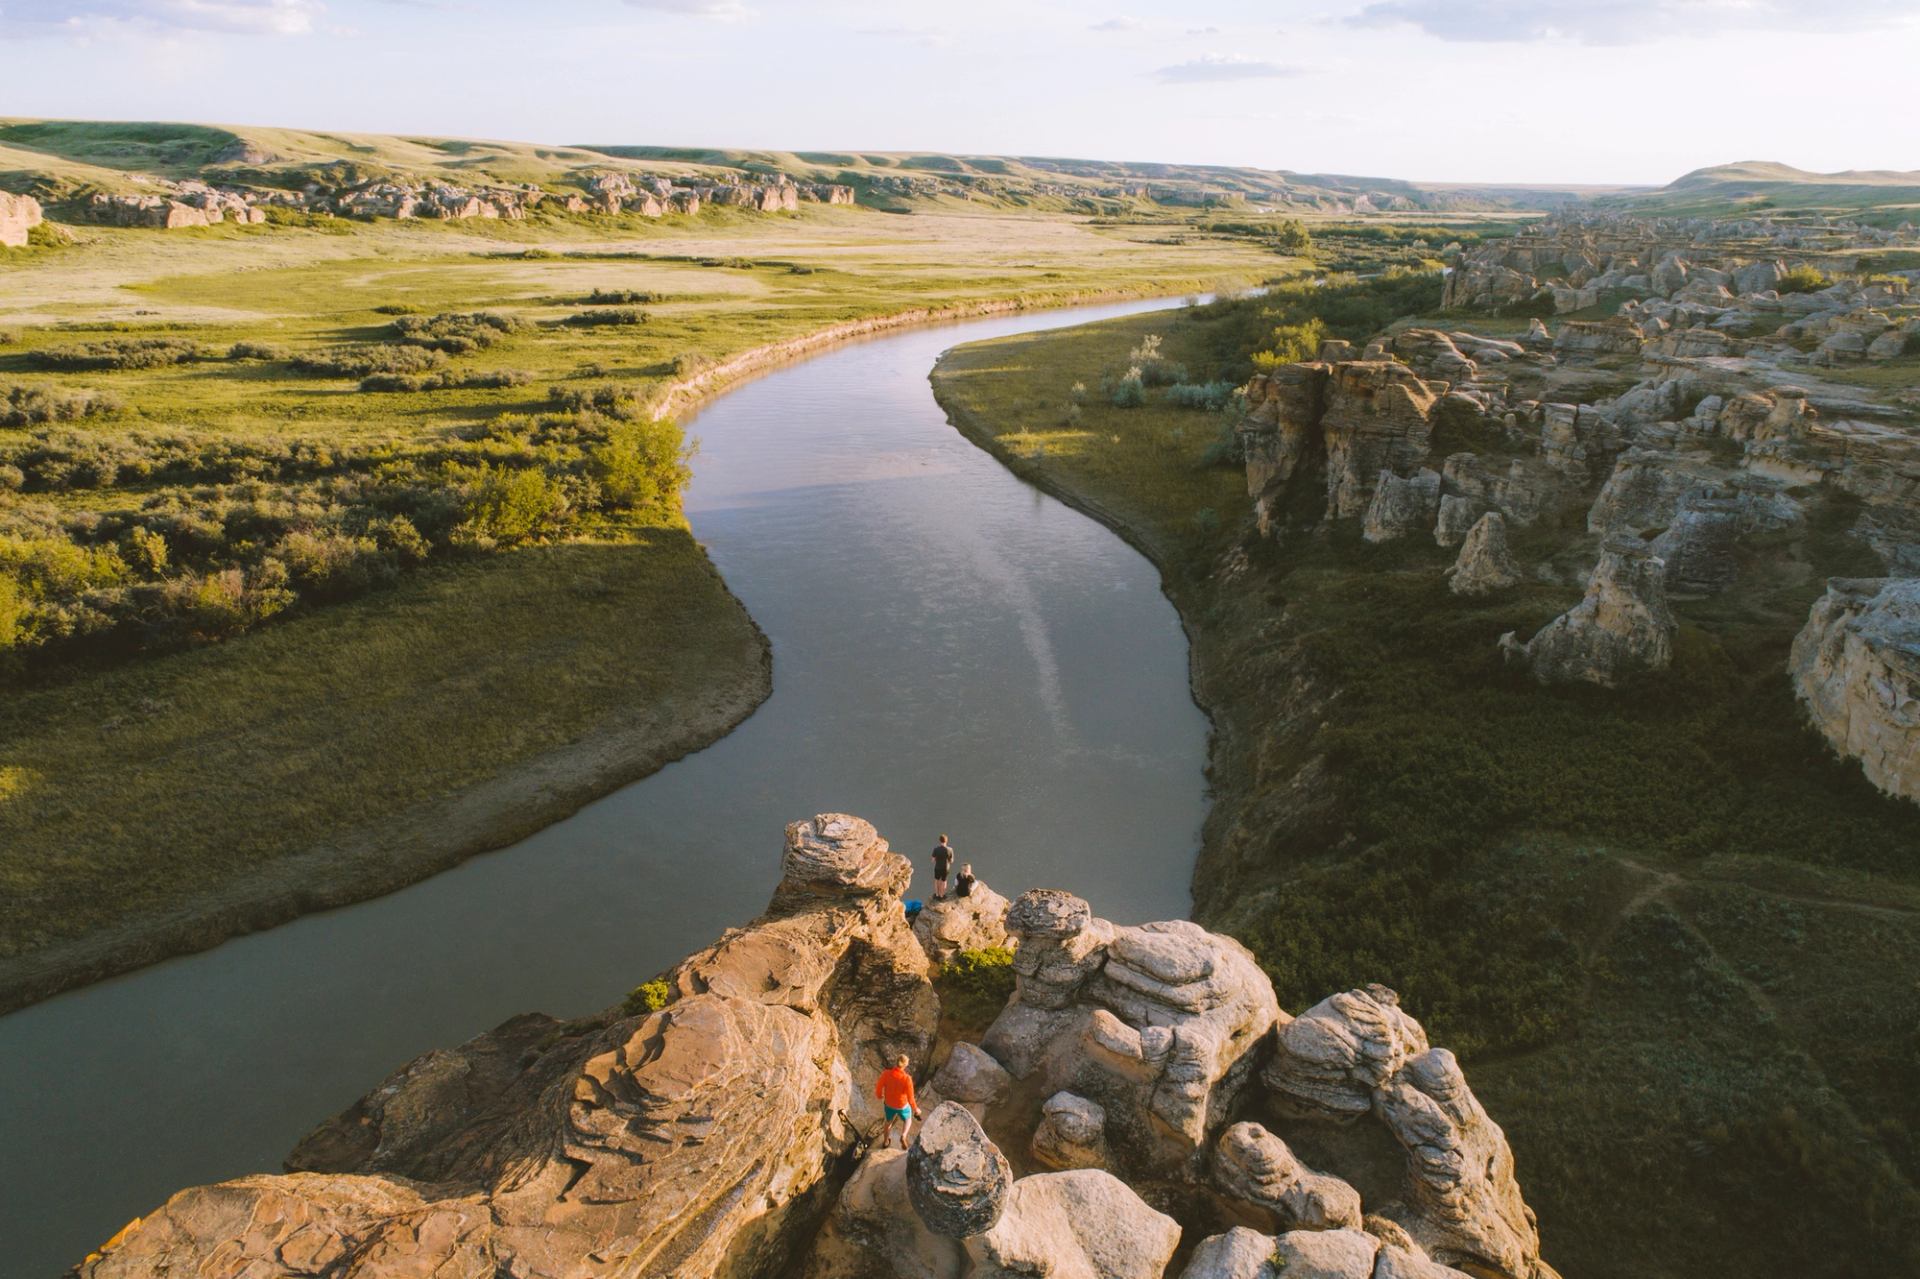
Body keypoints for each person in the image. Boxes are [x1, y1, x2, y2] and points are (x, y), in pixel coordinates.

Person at [875, 1053, 921, 1150]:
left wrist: (880, 1095)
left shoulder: (886, 1074)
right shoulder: (907, 1079)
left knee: (888, 1122)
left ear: (896, 1062)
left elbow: (879, 1087)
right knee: (908, 1119)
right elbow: (911, 1098)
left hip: (889, 1104)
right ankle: (903, 1135)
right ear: (905, 1065)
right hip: (902, 1105)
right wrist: (916, 1109)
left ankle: (885, 1141)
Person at [931, 834, 954, 900]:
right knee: (944, 881)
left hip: (937, 867)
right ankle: (942, 895)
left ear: (939, 840)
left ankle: (937, 894)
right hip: (946, 868)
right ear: (947, 841)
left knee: (936, 880)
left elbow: (932, 860)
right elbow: (951, 861)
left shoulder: (936, 849)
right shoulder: (950, 849)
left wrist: (937, 859)